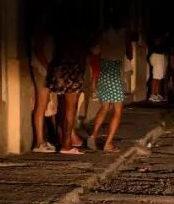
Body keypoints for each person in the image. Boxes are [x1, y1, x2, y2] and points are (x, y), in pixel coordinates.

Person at [47, 10, 89, 155]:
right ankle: (66, 144)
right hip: (72, 70)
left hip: (59, 69)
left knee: (61, 108)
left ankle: (63, 139)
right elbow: (82, 55)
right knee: (70, 110)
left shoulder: (59, 33)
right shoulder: (78, 36)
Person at [87, 14, 129, 152]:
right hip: (114, 74)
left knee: (105, 107)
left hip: (103, 72)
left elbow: (94, 50)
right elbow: (129, 54)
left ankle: (93, 135)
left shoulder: (103, 34)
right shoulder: (122, 34)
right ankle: (108, 143)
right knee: (118, 111)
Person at [29, 4, 55, 153]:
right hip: (42, 70)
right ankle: (39, 142)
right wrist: (48, 67)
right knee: (41, 105)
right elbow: (38, 50)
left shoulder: (43, 29)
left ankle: (41, 140)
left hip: (44, 69)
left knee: (44, 105)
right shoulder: (41, 30)